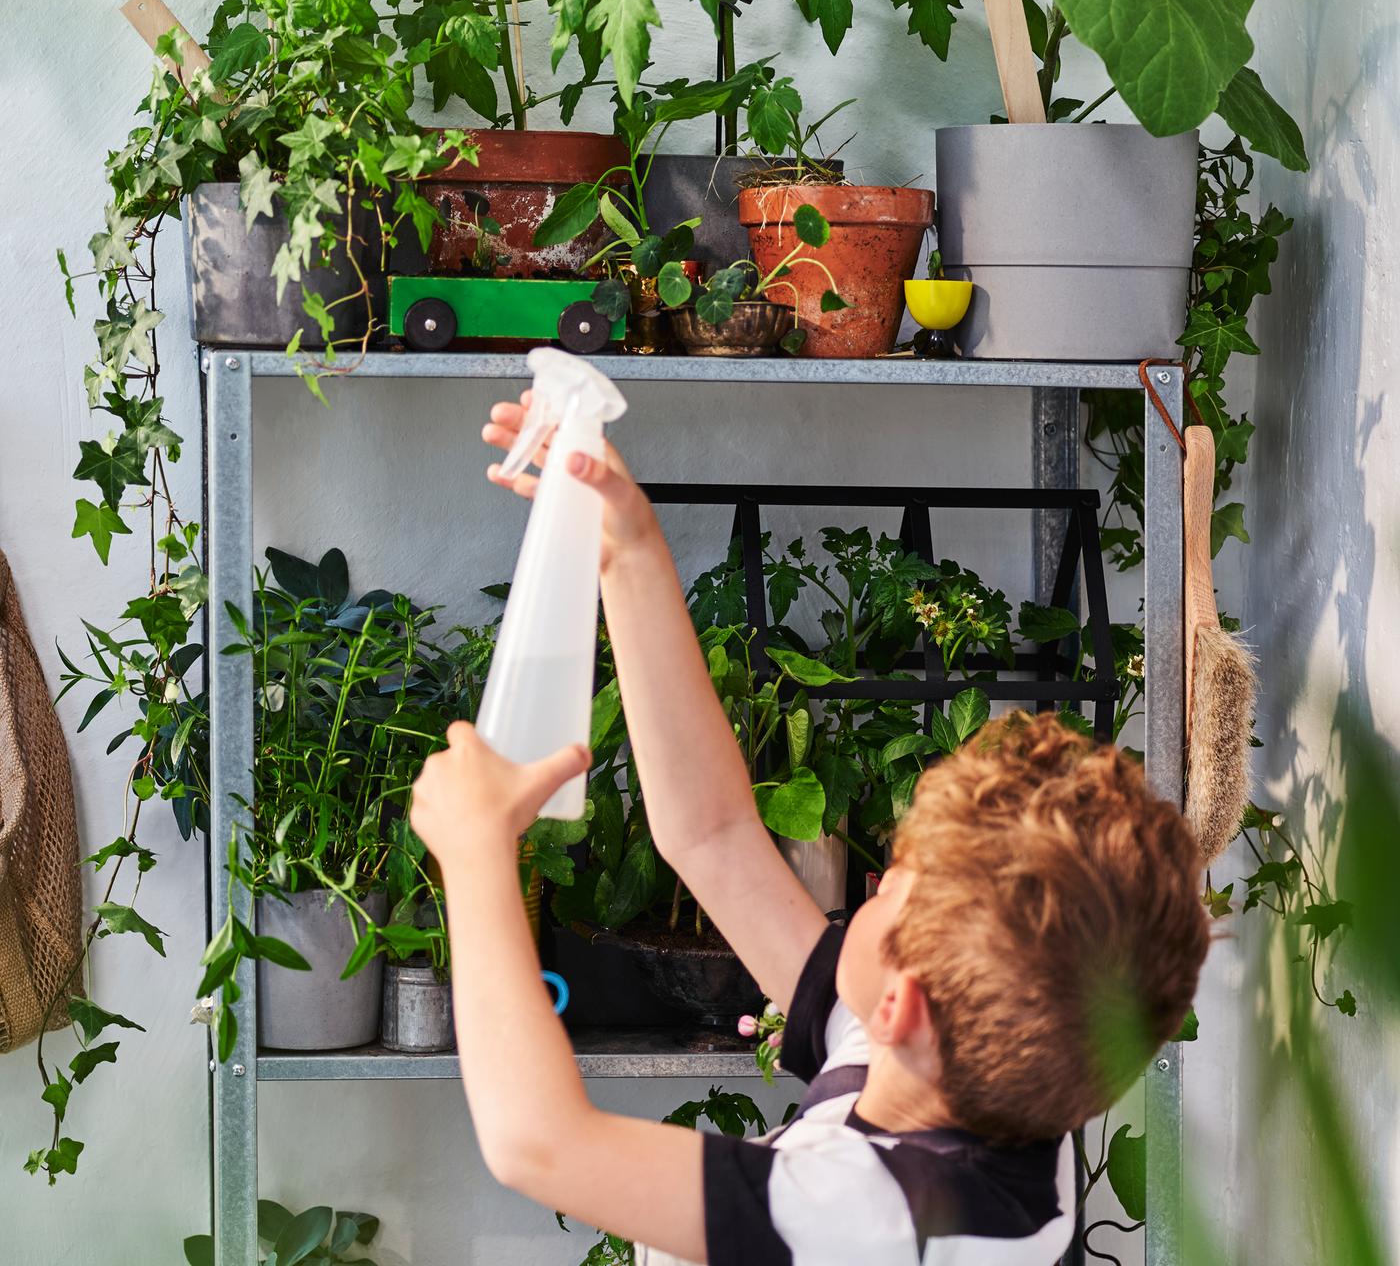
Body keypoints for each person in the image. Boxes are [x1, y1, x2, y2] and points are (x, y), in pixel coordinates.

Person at [407, 395, 1211, 1266]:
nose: (868, 888)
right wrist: (630, 551)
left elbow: (539, 1143)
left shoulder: (882, 1218)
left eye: (886, 890)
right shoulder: (978, 1086)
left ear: (905, 1006)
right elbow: (712, 836)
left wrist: (477, 856)